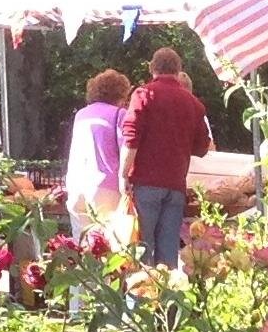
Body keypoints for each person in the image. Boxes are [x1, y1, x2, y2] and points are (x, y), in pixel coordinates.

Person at [119, 48, 210, 267]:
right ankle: (168, 299)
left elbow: (131, 139)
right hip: (176, 185)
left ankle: (139, 300)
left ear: (152, 68)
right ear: (178, 71)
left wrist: (123, 175)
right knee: (168, 253)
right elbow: (202, 148)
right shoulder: (194, 104)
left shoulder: (143, 95)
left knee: (142, 249)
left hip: (146, 182)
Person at [67, 70, 132, 240]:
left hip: (76, 185)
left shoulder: (81, 114)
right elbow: (127, 149)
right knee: (110, 244)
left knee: (81, 243)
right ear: (121, 93)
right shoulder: (120, 114)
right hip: (106, 187)